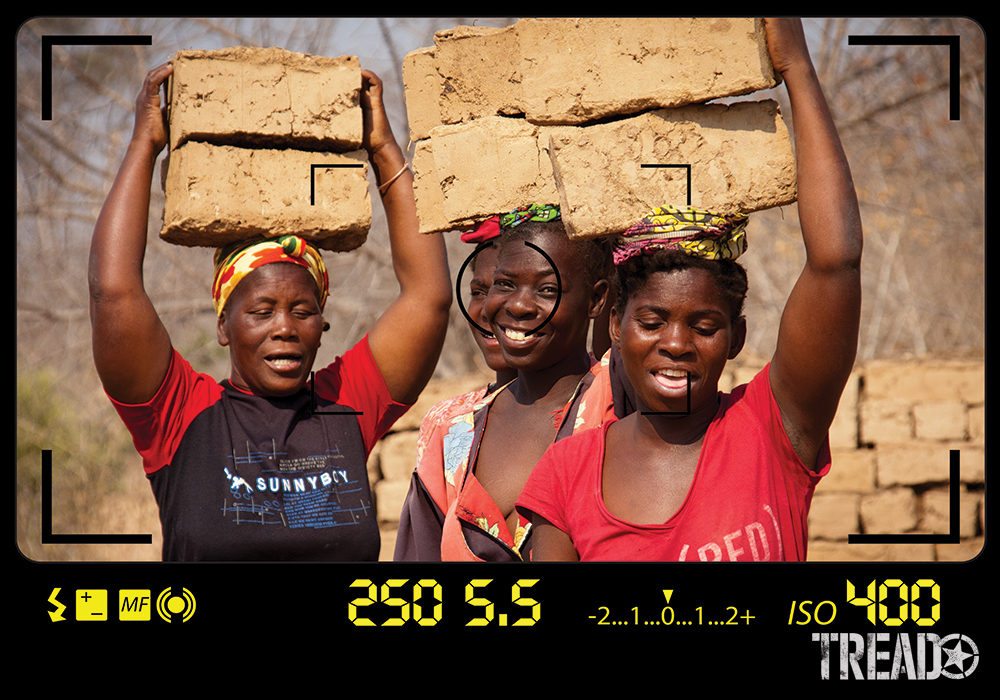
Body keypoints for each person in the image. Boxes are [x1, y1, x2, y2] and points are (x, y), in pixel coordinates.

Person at [516, 18, 863, 561]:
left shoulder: (772, 429)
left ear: (737, 336)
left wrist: (796, 67)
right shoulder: (567, 472)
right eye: (651, 322)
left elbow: (836, 264)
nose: (675, 343)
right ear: (614, 325)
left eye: (703, 326)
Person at [89, 62, 451, 561]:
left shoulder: (345, 406)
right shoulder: (182, 415)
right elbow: (114, 293)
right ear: (223, 324)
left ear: (322, 325)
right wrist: (144, 146)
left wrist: (383, 148)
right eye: (261, 311)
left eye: (302, 311)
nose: (284, 328)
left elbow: (428, 299)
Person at [396, 204, 617, 561]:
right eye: (505, 284)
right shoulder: (451, 432)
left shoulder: (615, 404)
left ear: (596, 299)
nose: (518, 305)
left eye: (547, 290)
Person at [392, 218, 517, 560]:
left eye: (511, 288)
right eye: (479, 291)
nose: (490, 307)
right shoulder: (451, 426)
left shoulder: (605, 402)